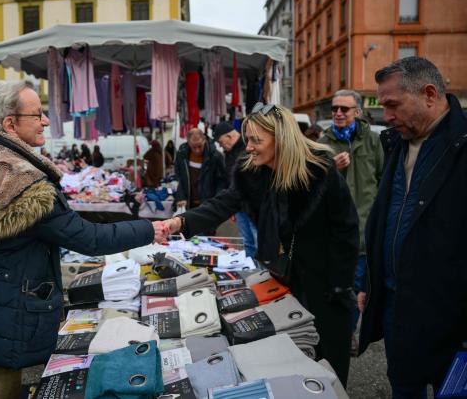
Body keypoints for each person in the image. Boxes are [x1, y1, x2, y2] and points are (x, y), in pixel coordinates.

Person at [0, 80, 168, 398]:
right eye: (37, 114)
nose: (47, 121)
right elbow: (88, 238)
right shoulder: (25, 183)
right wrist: (150, 229)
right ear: (10, 123)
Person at [164, 104, 359, 385]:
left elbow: (347, 229)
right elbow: (223, 203)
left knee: (328, 367)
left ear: (280, 138)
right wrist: (180, 223)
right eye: (248, 140)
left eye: (257, 140)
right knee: (290, 359)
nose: (250, 147)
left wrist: (340, 284)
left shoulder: (319, 169)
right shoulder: (251, 171)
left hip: (325, 285)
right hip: (282, 279)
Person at [358, 57, 467, 397]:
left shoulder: (461, 146)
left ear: (429, 94)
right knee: (404, 388)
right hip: (398, 309)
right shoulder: (396, 143)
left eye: (392, 105)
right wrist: (368, 280)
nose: (386, 117)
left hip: (452, 315)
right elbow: (385, 218)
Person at [318, 89, 383, 345]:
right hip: (335, 233)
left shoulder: (372, 140)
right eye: (335, 108)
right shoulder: (323, 143)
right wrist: (331, 168)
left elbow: (382, 178)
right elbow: (312, 188)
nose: (338, 113)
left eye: (344, 109)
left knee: (357, 289)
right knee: (337, 286)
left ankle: (348, 333)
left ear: (357, 111)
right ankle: (335, 330)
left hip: (365, 230)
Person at [213, 121, 258, 258]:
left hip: (253, 205)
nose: (221, 146)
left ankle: (264, 271)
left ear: (229, 136)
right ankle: (252, 269)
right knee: (247, 242)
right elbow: (229, 180)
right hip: (239, 206)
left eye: (221, 143)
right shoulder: (229, 153)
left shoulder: (248, 147)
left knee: (258, 241)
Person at [173, 128, 227, 210]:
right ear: (188, 142)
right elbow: (179, 177)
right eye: (193, 147)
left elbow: (222, 181)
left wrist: (217, 201)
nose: (197, 150)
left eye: (199, 146)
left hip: (209, 205)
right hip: (189, 204)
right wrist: (180, 196)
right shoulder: (182, 155)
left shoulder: (215, 156)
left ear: (204, 140)